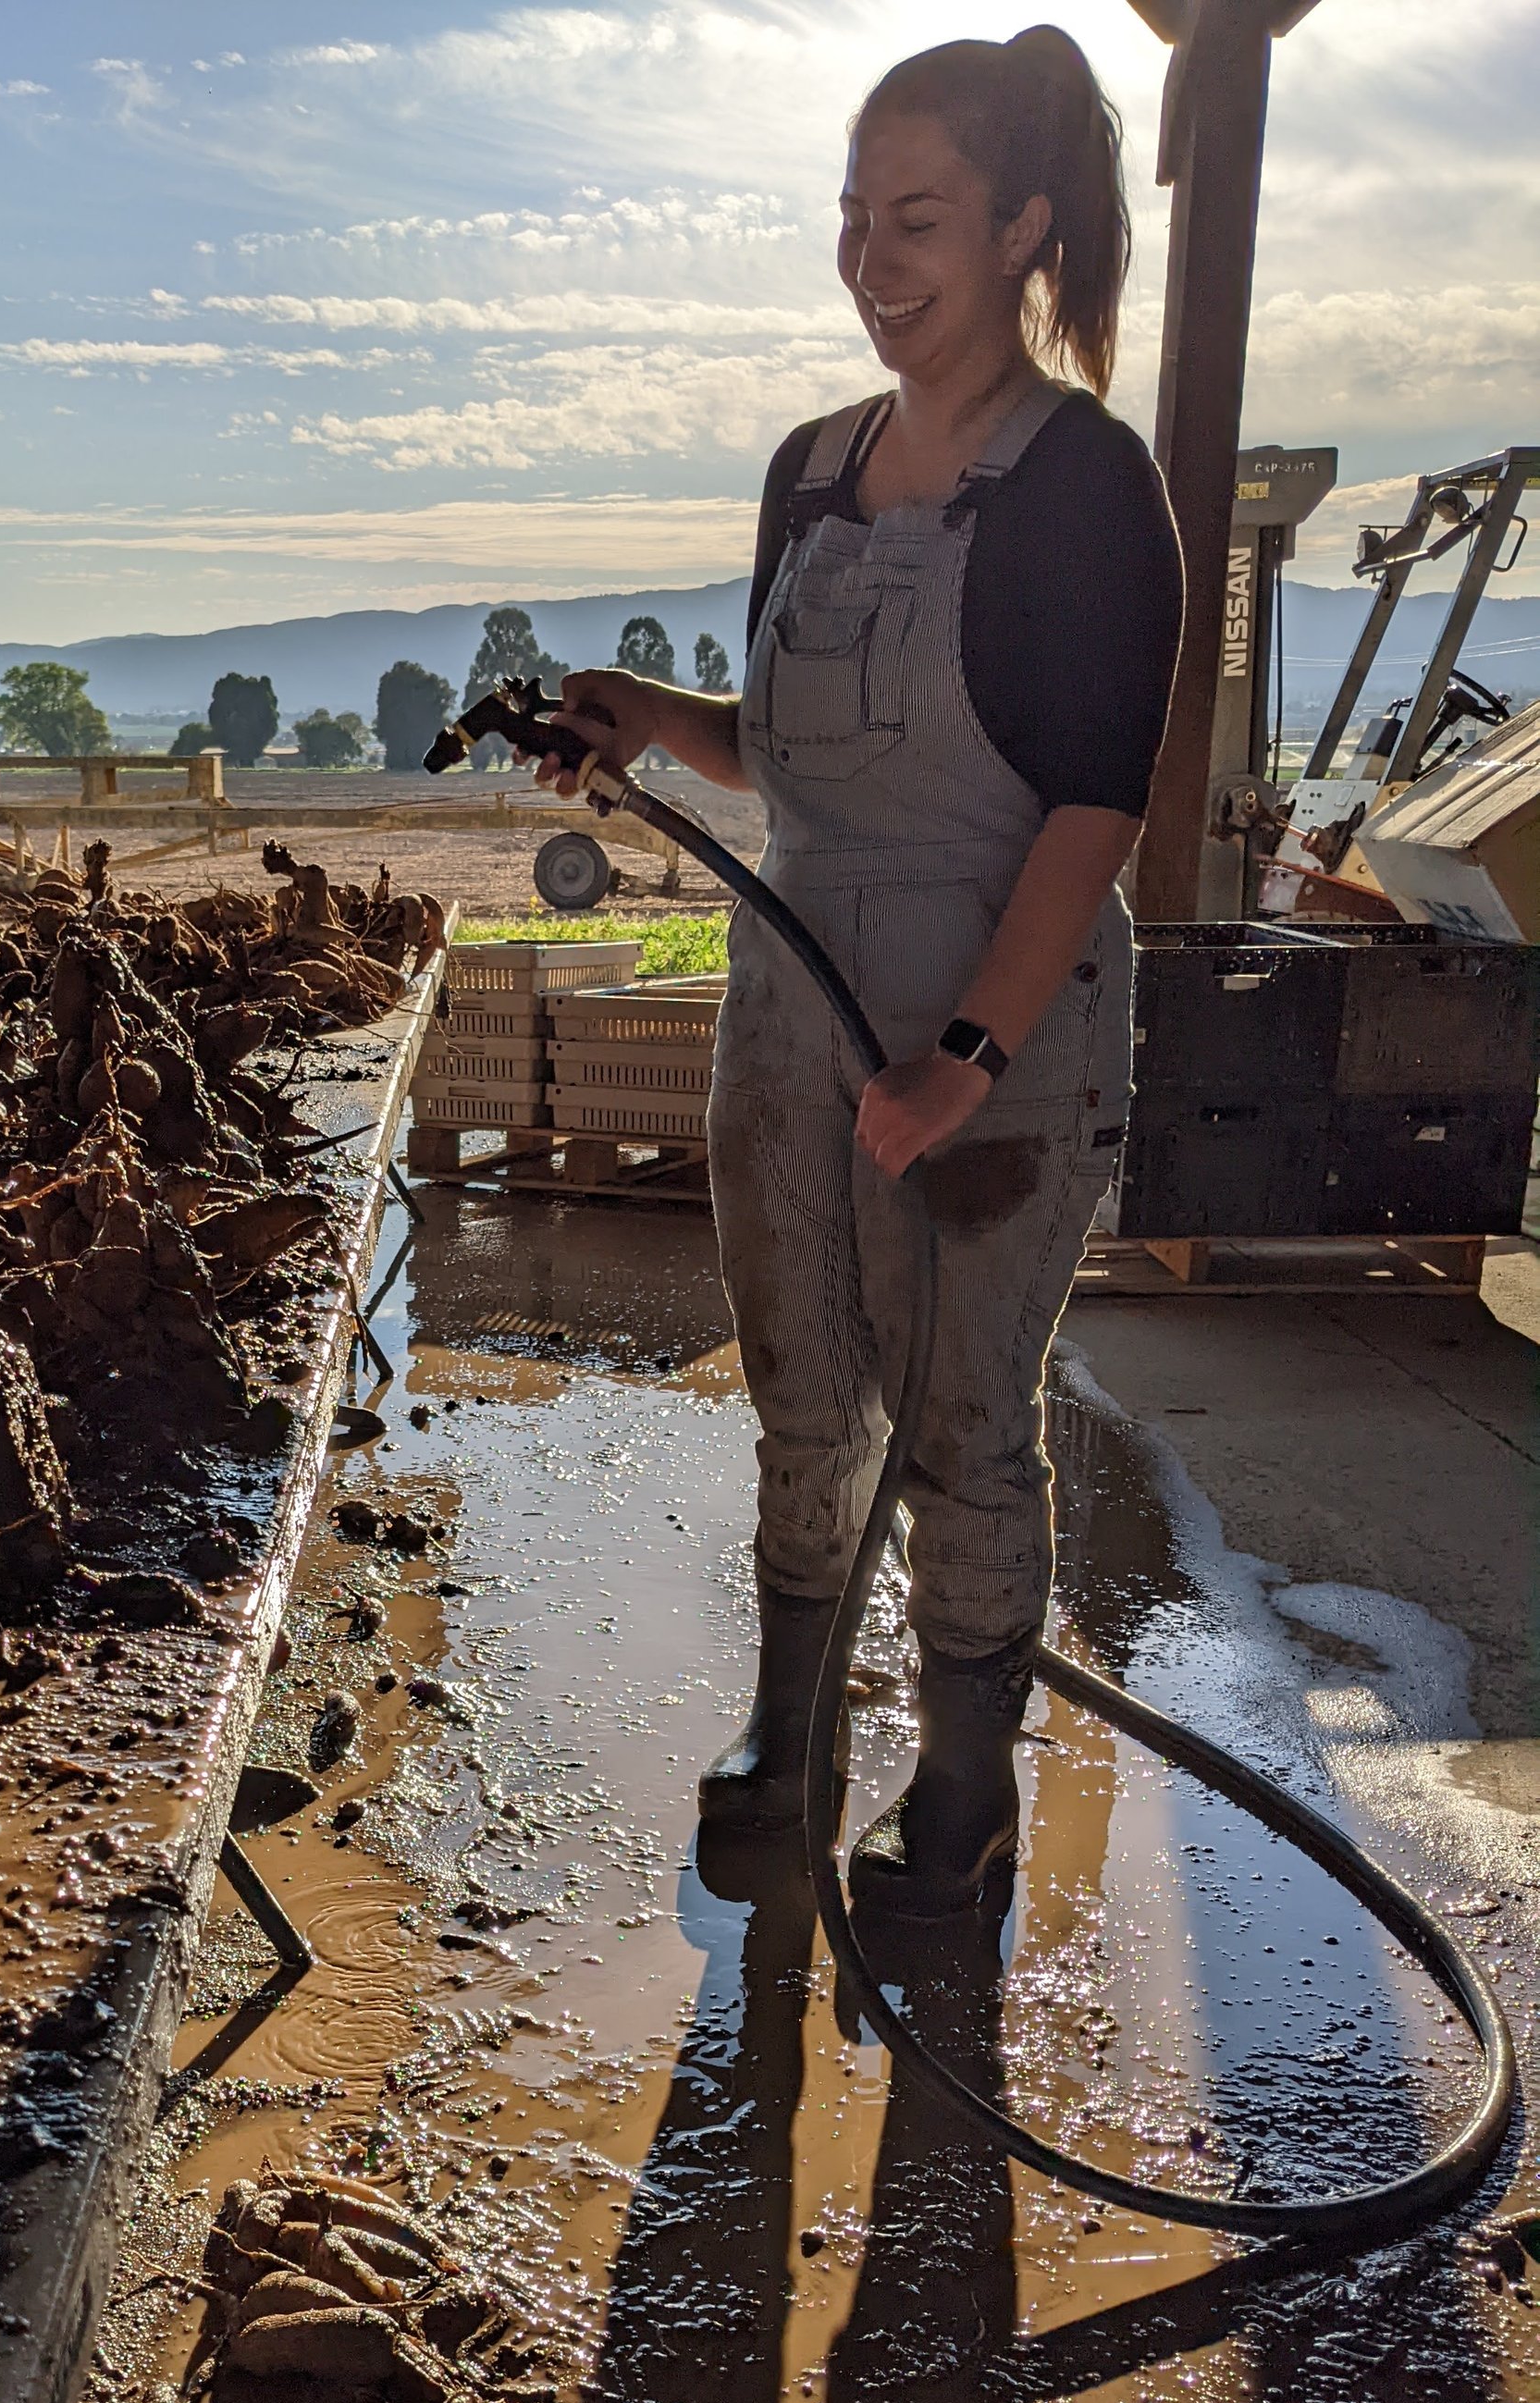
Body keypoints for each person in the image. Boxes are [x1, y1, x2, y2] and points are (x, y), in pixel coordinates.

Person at [540, 24, 1182, 1914]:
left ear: (1019, 230)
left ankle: (959, 1795)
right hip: (788, 1016)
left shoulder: (1085, 482)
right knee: (803, 1393)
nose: (869, 257)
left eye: (915, 218)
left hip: (995, 1039)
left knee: (963, 1421)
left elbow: (1089, 805)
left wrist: (964, 1054)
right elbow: (789, 744)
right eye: (849, 215)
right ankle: (788, 1732)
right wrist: (644, 718)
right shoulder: (810, 473)